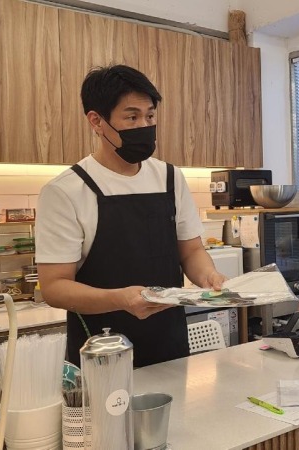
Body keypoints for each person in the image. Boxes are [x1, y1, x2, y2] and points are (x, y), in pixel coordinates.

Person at [36, 65, 226, 368]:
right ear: (97, 121)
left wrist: (208, 277)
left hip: (170, 346)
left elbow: (191, 250)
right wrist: (121, 299)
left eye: (150, 116)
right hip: (100, 351)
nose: (144, 125)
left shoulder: (169, 177)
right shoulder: (66, 190)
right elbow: (54, 286)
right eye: (132, 116)